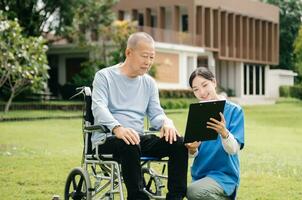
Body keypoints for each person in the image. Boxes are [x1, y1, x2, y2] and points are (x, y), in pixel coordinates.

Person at [91, 32, 188, 200]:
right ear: (129, 52)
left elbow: (156, 113)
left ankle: (176, 197)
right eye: (145, 56)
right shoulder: (104, 76)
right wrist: (117, 128)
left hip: (137, 138)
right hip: (107, 139)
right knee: (129, 142)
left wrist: (166, 122)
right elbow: (99, 107)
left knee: (178, 143)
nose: (148, 62)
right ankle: (137, 197)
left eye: (152, 57)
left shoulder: (149, 83)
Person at [185, 67, 245, 200]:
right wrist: (193, 148)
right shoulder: (197, 112)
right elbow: (192, 152)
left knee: (192, 192)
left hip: (224, 176)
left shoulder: (234, 110)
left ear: (214, 82)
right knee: (186, 190)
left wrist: (224, 133)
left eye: (205, 85)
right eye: (196, 89)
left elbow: (234, 149)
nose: (201, 92)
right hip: (200, 174)